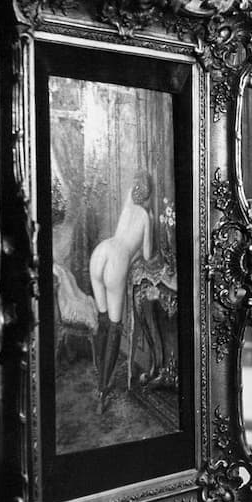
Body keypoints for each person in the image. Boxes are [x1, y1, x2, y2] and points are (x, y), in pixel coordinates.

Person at [89, 169, 154, 411]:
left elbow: (131, 196)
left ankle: (99, 373)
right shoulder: (146, 217)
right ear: (148, 196)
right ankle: (103, 390)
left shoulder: (127, 208)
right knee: (115, 327)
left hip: (101, 252)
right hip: (117, 261)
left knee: (103, 319)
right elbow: (147, 255)